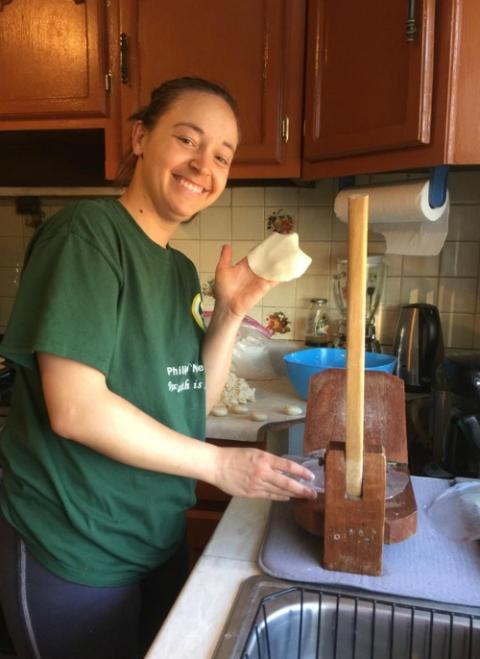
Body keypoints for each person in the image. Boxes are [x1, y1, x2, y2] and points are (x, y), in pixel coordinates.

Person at [0, 77, 316, 659]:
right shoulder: (87, 236)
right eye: (188, 140)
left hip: (154, 541)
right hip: (76, 549)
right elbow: (75, 409)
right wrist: (220, 464)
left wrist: (229, 313)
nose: (204, 165)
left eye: (222, 156)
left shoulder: (174, 271)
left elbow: (189, 405)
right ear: (141, 137)